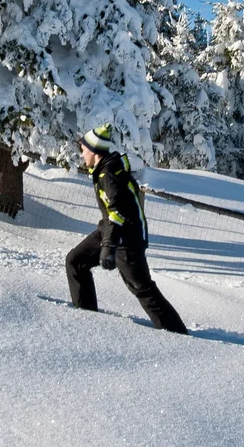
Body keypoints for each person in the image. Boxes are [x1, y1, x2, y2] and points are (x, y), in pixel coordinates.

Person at [65, 124, 189, 334]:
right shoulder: (105, 169)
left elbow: (118, 212)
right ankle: (86, 317)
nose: (81, 153)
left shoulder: (110, 175)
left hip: (127, 239)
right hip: (111, 231)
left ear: (94, 151)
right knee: (76, 260)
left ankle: (177, 333)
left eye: (84, 148)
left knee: (142, 288)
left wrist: (108, 247)